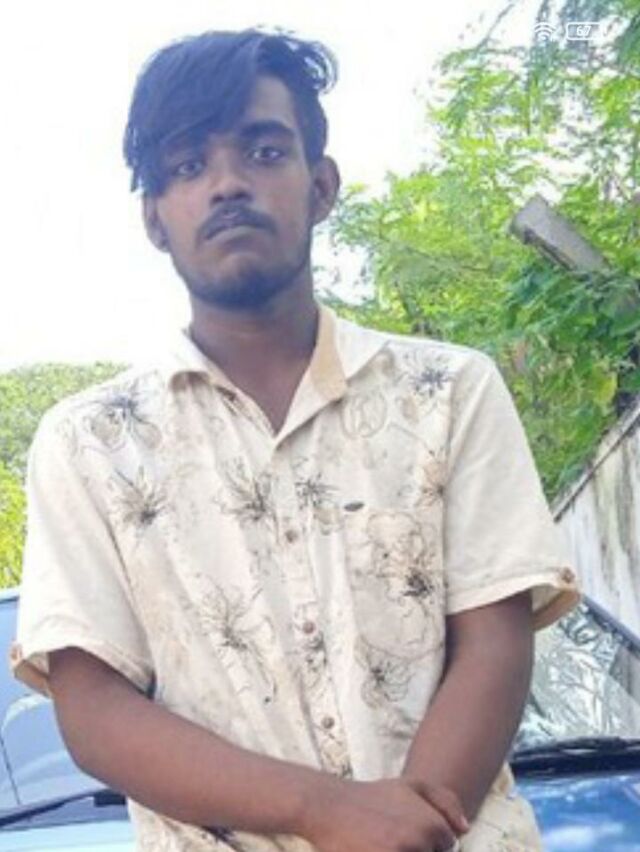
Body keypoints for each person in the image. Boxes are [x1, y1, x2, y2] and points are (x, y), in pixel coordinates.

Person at [11, 28, 580, 852]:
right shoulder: (89, 445)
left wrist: (405, 834)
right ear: (154, 220)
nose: (227, 184)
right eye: (187, 166)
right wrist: (324, 811)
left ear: (321, 186)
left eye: (264, 151)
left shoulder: (449, 391)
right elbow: (94, 708)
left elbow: (494, 637)